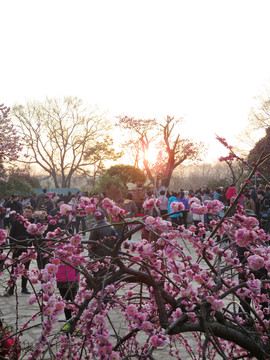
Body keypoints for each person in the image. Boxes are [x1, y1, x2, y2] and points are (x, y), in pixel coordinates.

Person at [5, 205, 34, 296]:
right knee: (14, 269)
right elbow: (11, 234)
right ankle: (11, 288)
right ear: (23, 212)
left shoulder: (32, 223)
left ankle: (24, 287)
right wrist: (12, 247)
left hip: (27, 249)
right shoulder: (16, 222)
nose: (27, 213)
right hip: (17, 248)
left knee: (25, 269)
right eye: (26, 211)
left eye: (29, 212)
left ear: (32, 213)